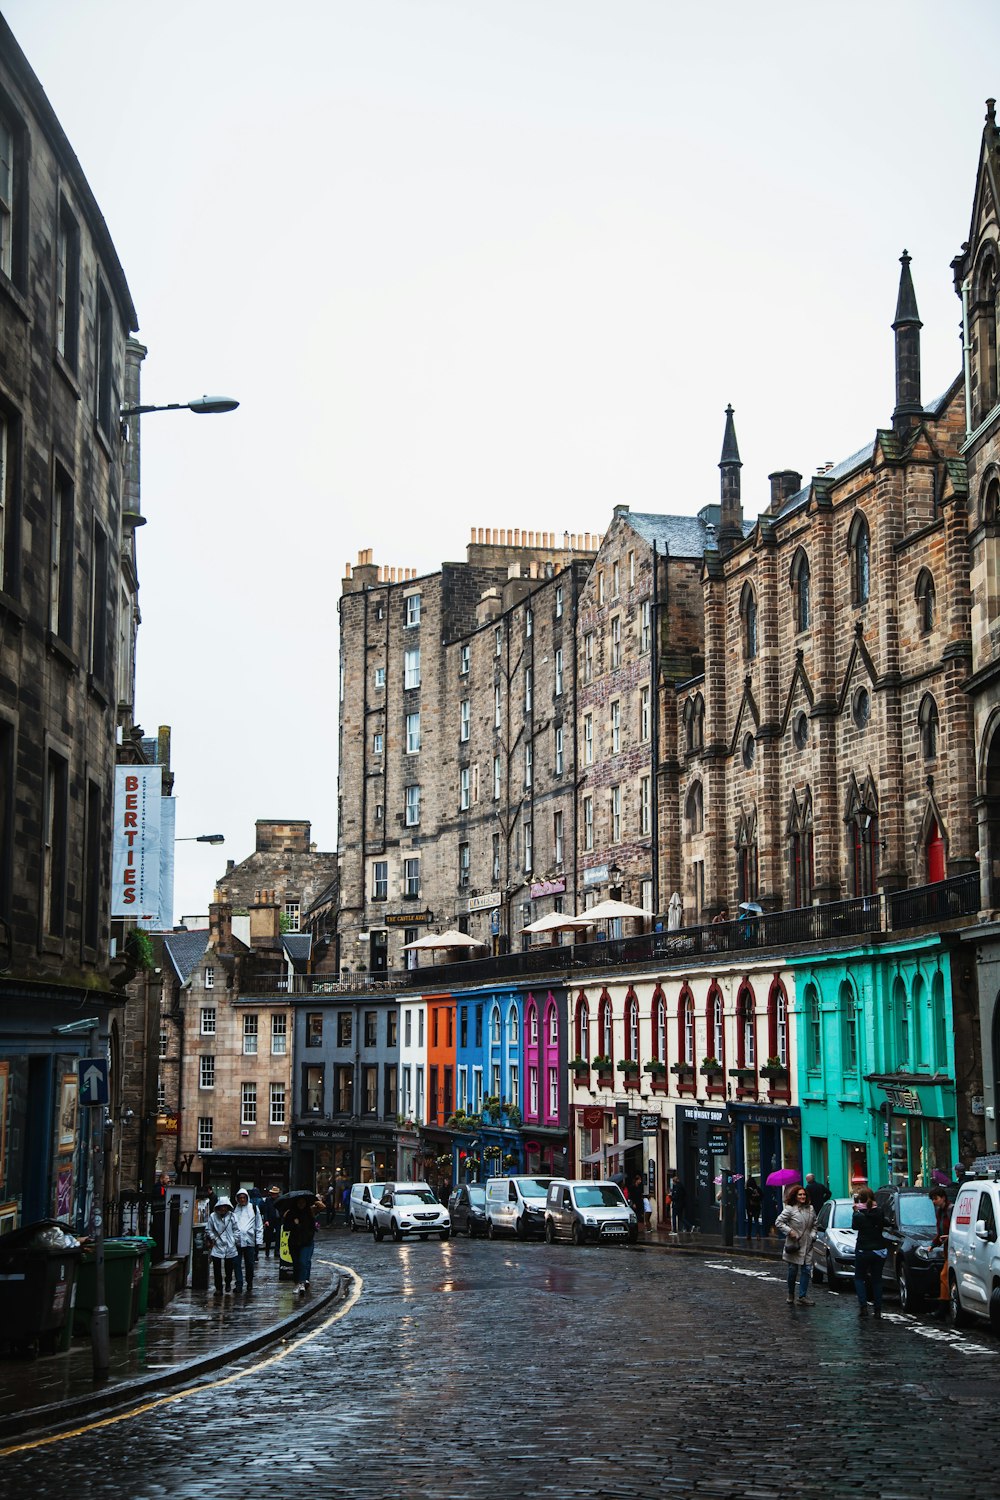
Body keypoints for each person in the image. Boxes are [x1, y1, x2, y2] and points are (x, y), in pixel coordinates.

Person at [775, 1184, 817, 1306]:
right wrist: (790, 1231)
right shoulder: (790, 1209)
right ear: (795, 1196)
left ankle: (802, 1296)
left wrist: (813, 1235)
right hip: (795, 1245)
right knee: (793, 1271)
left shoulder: (811, 1209)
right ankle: (791, 1294)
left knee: (806, 1270)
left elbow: (815, 1224)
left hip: (808, 1244)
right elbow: (779, 1222)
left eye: (804, 1194)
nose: (802, 1196)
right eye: (800, 1194)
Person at [852, 1187, 888, 1318]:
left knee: (859, 1278)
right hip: (879, 1249)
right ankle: (878, 1310)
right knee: (877, 1280)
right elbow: (884, 1223)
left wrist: (855, 1212)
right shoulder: (879, 1211)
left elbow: (855, 1226)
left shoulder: (859, 1213)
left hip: (863, 1249)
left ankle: (863, 1307)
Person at [284, 1195, 321, 1296]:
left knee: (303, 1262)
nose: (301, 1205)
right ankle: (297, 1283)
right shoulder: (291, 1214)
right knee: (296, 1264)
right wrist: (294, 1224)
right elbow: (286, 1228)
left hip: (306, 1242)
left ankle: (302, 1282)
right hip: (294, 1243)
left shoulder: (309, 1213)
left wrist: (306, 1233)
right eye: (299, 1203)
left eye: (303, 1203)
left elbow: (312, 1228)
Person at [232, 1187, 264, 1292]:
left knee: (249, 1263)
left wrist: (259, 1240)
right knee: (236, 1263)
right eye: (240, 1198)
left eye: (244, 1197)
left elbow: (259, 1225)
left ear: (247, 1198)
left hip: (250, 1241)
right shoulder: (234, 1210)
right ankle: (239, 1284)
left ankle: (249, 1281)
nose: (242, 1200)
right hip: (237, 1242)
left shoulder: (253, 1208)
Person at [205, 1196, 238, 1294]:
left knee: (229, 1268)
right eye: (222, 1206)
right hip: (217, 1245)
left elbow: (236, 1229)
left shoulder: (232, 1216)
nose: (223, 1208)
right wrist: (213, 1238)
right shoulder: (212, 1216)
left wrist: (234, 1240)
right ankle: (218, 1288)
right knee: (217, 1269)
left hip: (230, 1246)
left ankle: (228, 1283)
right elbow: (208, 1229)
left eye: (225, 1206)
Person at [930, 1184, 952, 1310]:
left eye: (936, 1198)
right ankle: (943, 1306)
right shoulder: (939, 1212)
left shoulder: (951, 1210)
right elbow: (940, 1232)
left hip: (955, 1249)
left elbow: (956, 1228)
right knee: (944, 1276)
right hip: (947, 1249)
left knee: (944, 1275)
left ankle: (943, 1307)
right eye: (932, 1199)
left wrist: (950, 1237)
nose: (934, 1201)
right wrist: (934, 1244)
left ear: (943, 1198)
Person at [261, 1187, 282, 1258]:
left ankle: (277, 1251)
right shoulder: (268, 1200)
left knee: (278, 1236)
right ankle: (267, 1251)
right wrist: (266, 1220)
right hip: (270, 1220)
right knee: (268, 1237)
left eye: (275, 1193)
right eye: (272, 1193)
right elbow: (265, 1211)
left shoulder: (280, 1200)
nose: (273, 1195)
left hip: (278, 1220)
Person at [744, 1176, 763, 1242]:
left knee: (749, 1221)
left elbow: (747, 1201)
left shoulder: (747, 1190)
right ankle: (758, 1235)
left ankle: (749, 1235)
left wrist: (748, 1209)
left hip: (750, 1208)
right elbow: (762, 1196)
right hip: (757, 1207)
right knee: (756, 1220)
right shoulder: (758, 1189)